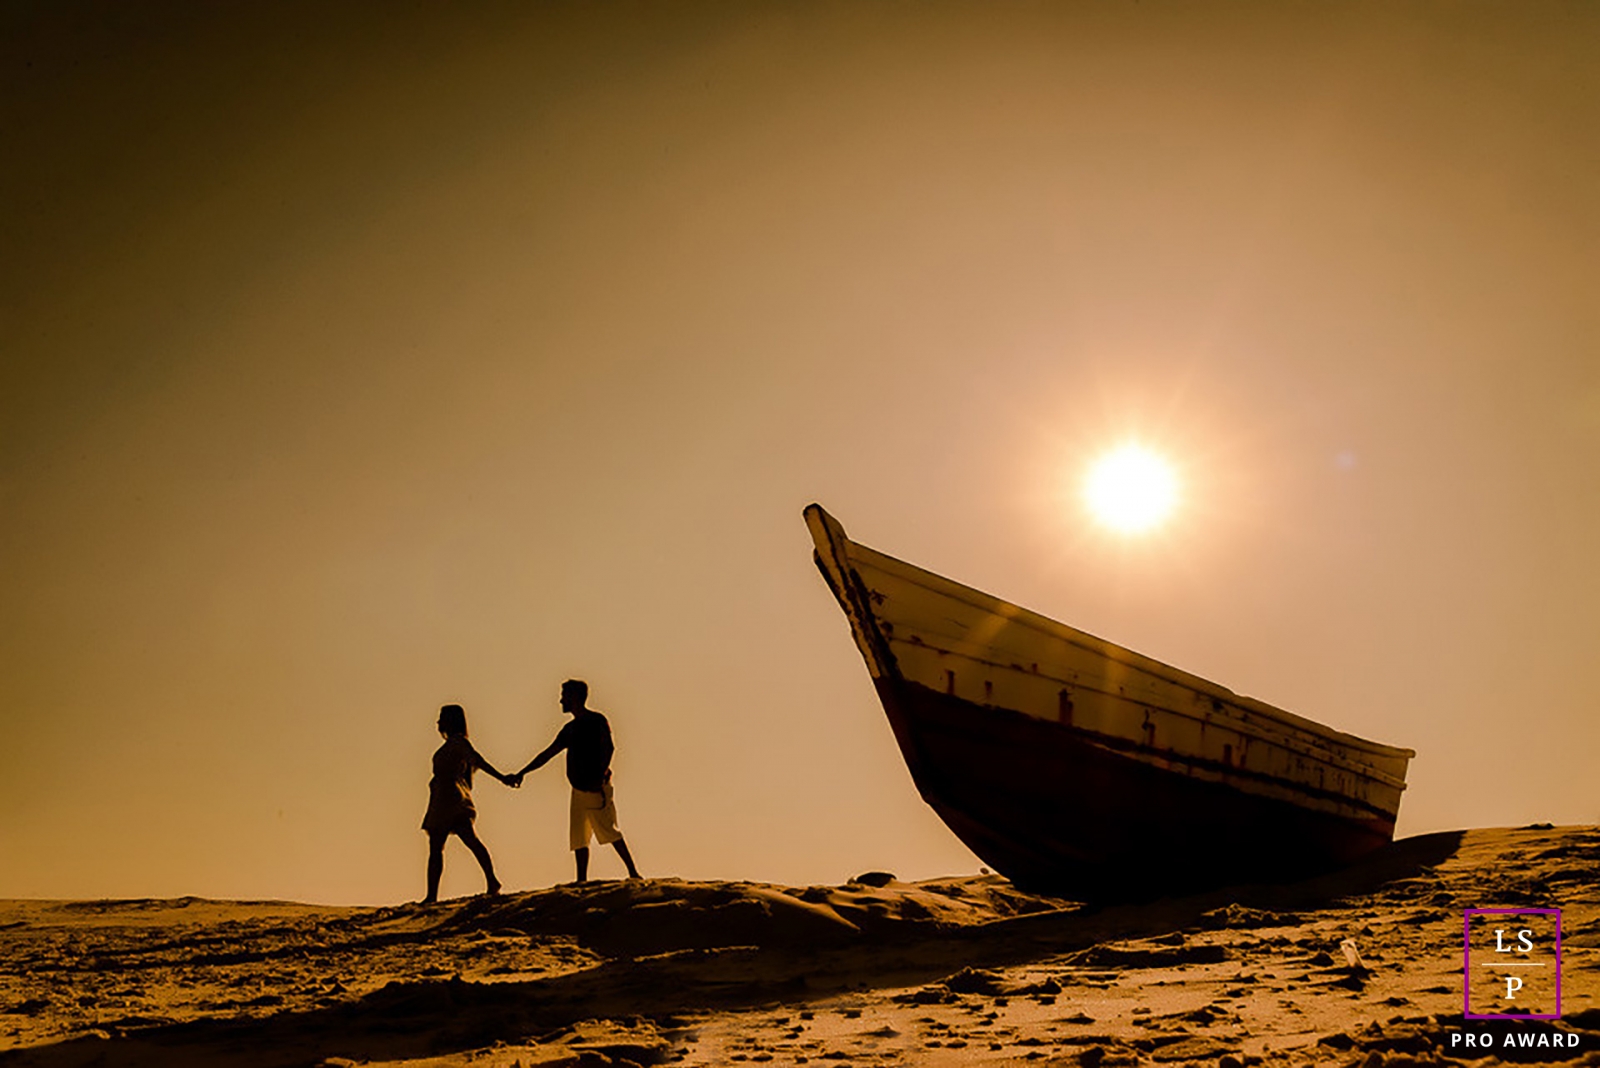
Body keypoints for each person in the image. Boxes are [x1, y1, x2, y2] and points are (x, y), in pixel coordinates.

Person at [510, 679, 641, 883]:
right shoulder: (569, 729)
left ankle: (633, 873)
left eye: (564, 696)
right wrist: (522, 772)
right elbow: (548, 753)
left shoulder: (596, 721)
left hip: (595, 787)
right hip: (578, 788)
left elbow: (609, 747)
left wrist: (600, 775)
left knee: (608, 830)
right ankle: (581, 880)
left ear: (575, 697)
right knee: (579, 835)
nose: (561, 700)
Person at [421, 703, 515, 904]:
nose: (438, 722)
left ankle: (491, 881)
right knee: (441, 846)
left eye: (442, 718)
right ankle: (432, 895)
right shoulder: (452, 744)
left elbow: (477, 761)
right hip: (441, 798)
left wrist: (502, 777)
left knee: (464, 841)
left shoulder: (458, 742)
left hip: (452, 799)